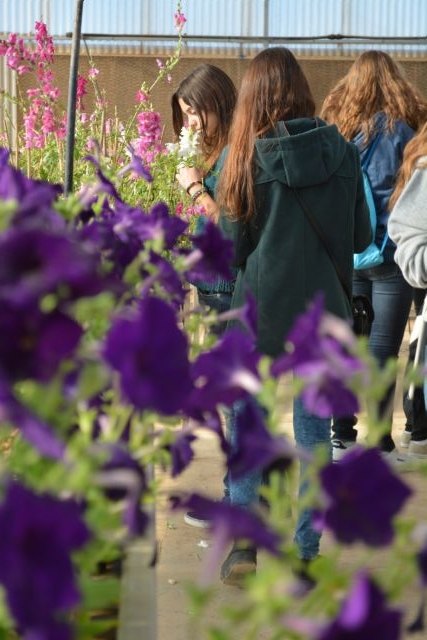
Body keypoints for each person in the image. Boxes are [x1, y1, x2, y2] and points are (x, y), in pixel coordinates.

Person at [216, 47, 371, 585]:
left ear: (254, 97)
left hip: (258, 315)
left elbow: (230, 250)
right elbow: (362, 238)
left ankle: (244, 547)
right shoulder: (343, 152)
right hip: (323, 316)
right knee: (314, 435)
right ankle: (305, 554)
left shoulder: (247, 157)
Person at [320, 50, 427, 462]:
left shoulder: (336, 132)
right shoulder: (404, 133)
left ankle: (340, 434)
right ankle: (379, 440)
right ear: (395, 84)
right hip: (391, 255)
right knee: (383, 348)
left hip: (348, 254)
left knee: (347, 344)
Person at [171, 64, 237, 526]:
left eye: (195, 112)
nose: (190, 123)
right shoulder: (218, 149)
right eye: (184, 114)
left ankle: (240, 503)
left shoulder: (237, 153)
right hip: (213, 284)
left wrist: (194, 185)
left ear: (218, 102)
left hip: (228, 288)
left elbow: (228, 222)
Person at [388, 121, 427, 458]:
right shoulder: (407, 137)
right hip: (406, 262)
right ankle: (417, 425)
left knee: (417, 346)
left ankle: (415, 425)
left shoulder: (413, 146)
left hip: (403, 265)